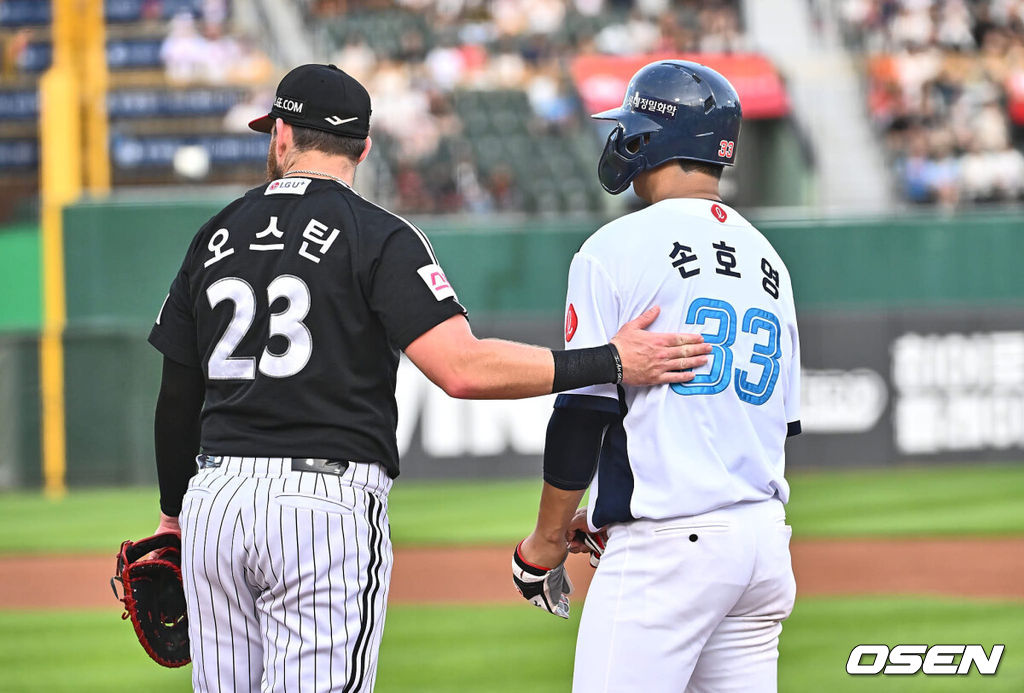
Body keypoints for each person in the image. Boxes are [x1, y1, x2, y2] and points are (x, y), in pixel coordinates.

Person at [147, 63, 712, 692]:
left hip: (214, 503)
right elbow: (462, 371)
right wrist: (610, 360)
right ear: (362, 147)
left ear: (280, 136)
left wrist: (173, 516)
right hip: (319, 503)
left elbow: (176, 399)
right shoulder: (377, 235)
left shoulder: (214, 235)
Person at [513, 60, 802, 692]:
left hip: (671, 551)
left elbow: (584, 411)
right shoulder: (769, 261)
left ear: (652, 139)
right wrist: (609, 509)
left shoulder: (615, 248)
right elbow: (778, 422)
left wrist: (547, 539)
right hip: (761, 547)